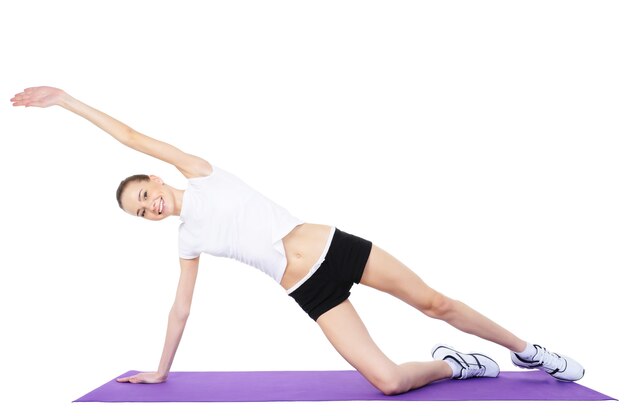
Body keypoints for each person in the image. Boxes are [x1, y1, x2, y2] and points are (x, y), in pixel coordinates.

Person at [11, 86, 584, 395]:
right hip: (309, 290)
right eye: (141, 213)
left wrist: (66, 102)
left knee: (435, 303)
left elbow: (132, 136)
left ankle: (529, 352)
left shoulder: (200, 171)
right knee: (386, 382)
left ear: (157, 180)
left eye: (145, 196)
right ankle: (456, 368)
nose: (150, 207)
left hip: (333, 247)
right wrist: (161, 370)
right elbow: (181, 308)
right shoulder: (187, 239)